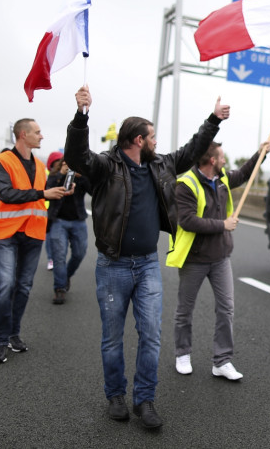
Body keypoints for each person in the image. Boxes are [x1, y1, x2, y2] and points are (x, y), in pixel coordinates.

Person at [64, 85, 229, 429]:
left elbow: (194, 149)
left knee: (151, 335)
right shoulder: (105, 167)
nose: (156, 141)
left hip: (149, 264)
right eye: (152, 136)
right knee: (112, 337)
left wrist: (213, 119)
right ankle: (115, 396)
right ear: (138, 139)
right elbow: (77, 157)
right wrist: (81, 116)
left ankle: (145, 400)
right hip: (113, 266)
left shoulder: (161, 166)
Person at [168, 140, 270, 381]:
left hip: (221, 258)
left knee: (226, 309)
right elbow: (188, 221)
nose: (225, 160)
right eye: (222, 156)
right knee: (185, 311)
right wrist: (223, 225)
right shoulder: (185, 185)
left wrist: (261, 153)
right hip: (194, 259)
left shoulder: (222, 177)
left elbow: (245, 173)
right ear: (212, 160)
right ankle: (182, 354)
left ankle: (222, 361)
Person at [0, 119, 70, 364]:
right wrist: (44, 193)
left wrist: (60, 191)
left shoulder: (40, 165)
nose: (42, 136)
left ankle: (13, 334)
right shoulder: (1, 162)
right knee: (5, 285)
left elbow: (42, 194)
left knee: (22, 286)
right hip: (6, 232)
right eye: (38, 132)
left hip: (32, 232)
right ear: (23, 135)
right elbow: (6, 194)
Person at [46, 158, 92, 304]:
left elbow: (93, 191)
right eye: (66, 164)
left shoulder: (80, 177)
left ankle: (65, 276)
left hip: (78, 221)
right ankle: (59, 288)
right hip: (58, 221)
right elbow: (47, 189)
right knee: (59, 256)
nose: (69, 167)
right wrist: (61, 174)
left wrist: (83, 176)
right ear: (62, 164)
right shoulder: (54, 176)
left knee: (79, 253)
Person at [44, 151, 64, 271]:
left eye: (60, 162)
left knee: (54, 238)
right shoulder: (49, 174)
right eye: (56, 163)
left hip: (54, 210)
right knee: (49, 237)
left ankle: (54, 258)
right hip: (45, 210)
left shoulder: (67, 173)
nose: (59, 165)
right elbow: (47, 187)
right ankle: (51, 258)